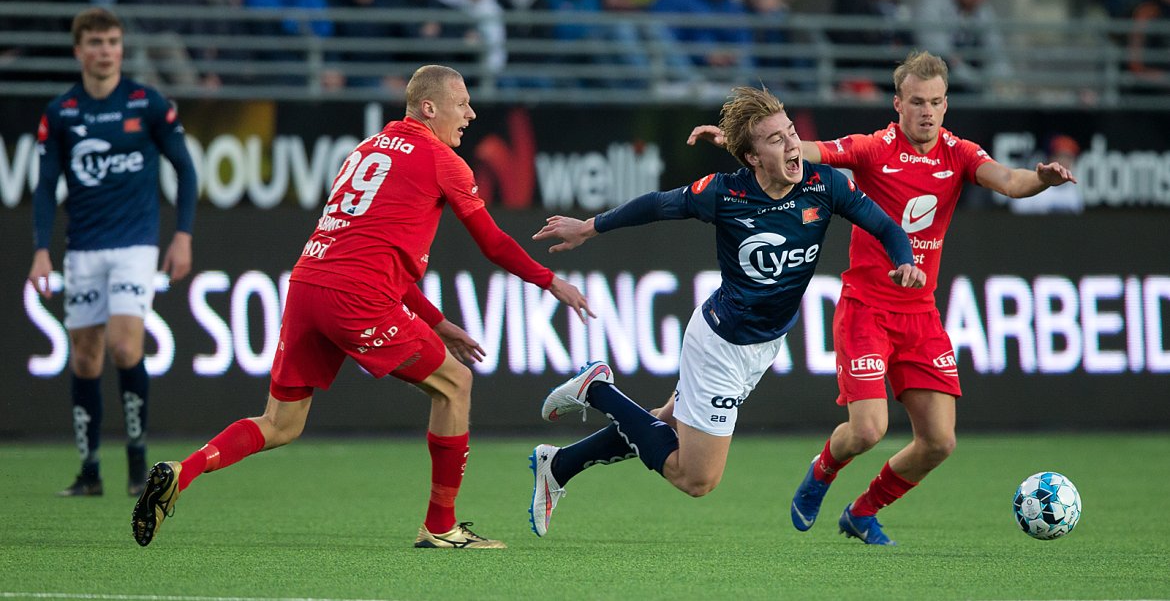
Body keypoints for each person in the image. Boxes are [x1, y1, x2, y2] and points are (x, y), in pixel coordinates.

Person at [130, 64, 594, 550]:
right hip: (355, 295)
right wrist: (549, 281)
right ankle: (440, 527)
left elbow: (373, 251)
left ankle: (182, 472)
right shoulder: (442, 160)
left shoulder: (366, 149)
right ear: (429, 108)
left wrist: (438, 324)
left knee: (280, 423)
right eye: (462, 105)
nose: (471, 114)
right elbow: (493, 243)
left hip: (308, 283)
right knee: (455, 385)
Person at [688, 50, 1077, 545]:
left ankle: (863, 511)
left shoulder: (959, 153)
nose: (927, 112)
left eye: (936, 102)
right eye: (917, 101)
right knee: (868, 429)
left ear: (946, 104)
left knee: (938, 442)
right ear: (898, 103)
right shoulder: (875, 148)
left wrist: (1041, 179)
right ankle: (821, 473)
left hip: (921, 315)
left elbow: (1009, 180)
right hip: (866, 309)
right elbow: (810, 151)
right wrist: (741, 140)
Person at [526, 84, 927, 538]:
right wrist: (589, 227)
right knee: (696, 478)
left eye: (791, 132)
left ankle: (558, 464)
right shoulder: (724, 194)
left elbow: (885, 226)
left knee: (663, 424)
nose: (793, 144)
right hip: (721, 343)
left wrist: (905, 260)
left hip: (765, 343)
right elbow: (657, 205)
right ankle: (597, 389)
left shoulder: (824, 185)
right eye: (776, 139)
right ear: (753, 158)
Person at [27, 7, 199, 498]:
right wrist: (41, 250)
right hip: (82, 248)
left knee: (125, 347)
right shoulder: (61, 112)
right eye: (96, 42)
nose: (106, 51)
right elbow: (44, 188)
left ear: (122, 48)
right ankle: (89, 471)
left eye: (113, 42)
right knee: (84, 359)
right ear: (79, 50)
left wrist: (182, 234)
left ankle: (137, 462)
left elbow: (186, 170)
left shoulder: (147, 103)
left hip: (135, 246)